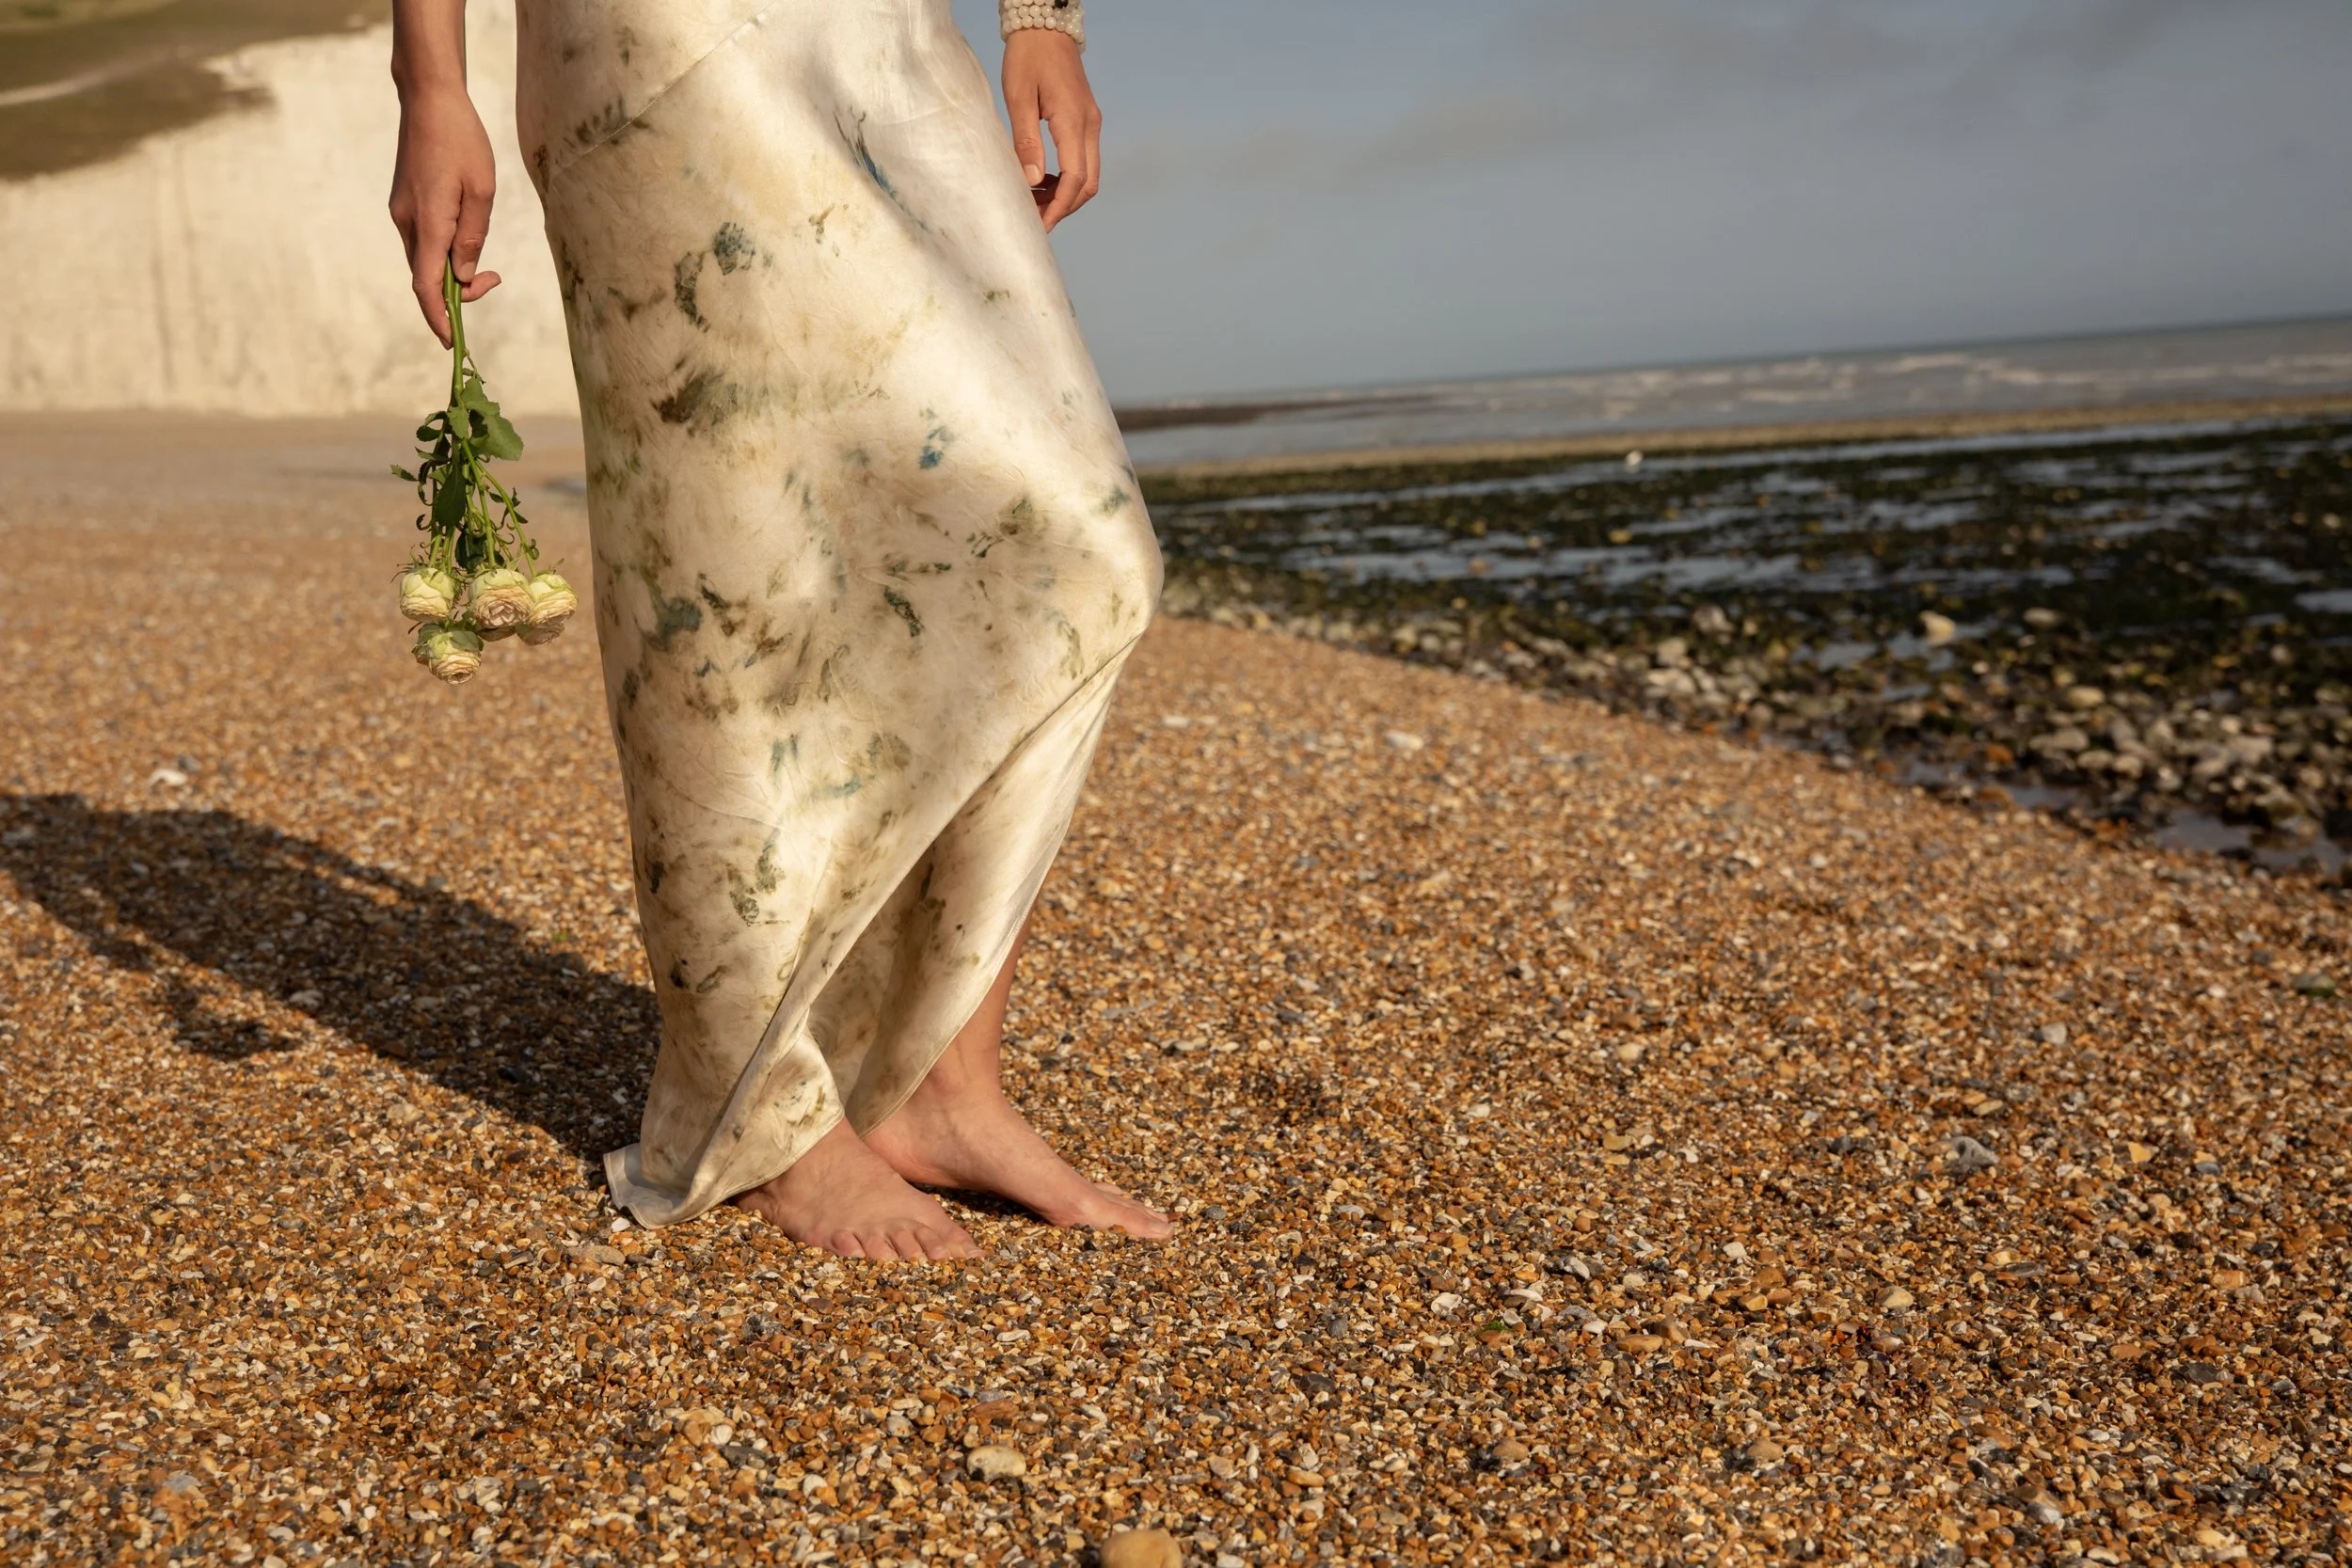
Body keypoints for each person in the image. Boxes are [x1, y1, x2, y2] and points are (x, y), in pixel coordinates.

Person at [389, 0, 1170, 1259]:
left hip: (884, 31)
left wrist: (1044, 19)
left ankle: (942, 1080)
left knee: (1079, 549)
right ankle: (770, 1118)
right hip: (653, 48)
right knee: (726, 590)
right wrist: (432, 87)